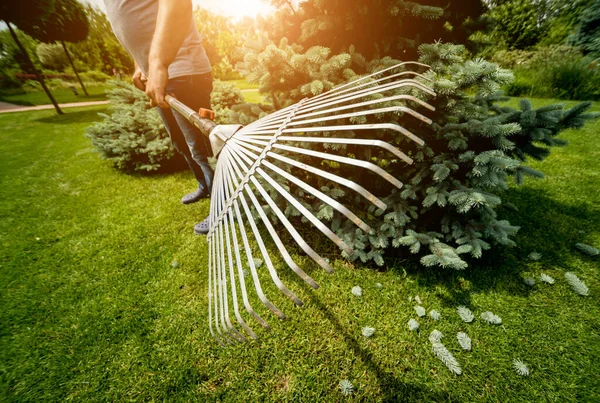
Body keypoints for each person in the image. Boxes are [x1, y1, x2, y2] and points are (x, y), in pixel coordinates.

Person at [103, 0, 213, 235]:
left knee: (200, 146)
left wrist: (158, 63)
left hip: (183, 70)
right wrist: (139, 64)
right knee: (181, 143)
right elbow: (138, 26)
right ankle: (205, 185)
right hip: (160, 73)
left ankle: (222, 205)